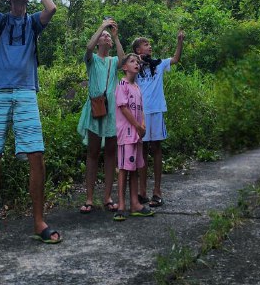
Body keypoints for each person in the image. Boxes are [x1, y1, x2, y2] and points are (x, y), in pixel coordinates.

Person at [0, 0, 61, 248]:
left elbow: (51, 8)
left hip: (26, 91)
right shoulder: (0, 21)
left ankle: (39, 222)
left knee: (36, 154)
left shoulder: (33, 23)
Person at [76, 17, 125, 213]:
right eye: (102, 36)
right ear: (98, 41)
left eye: (107, 36)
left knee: (111, 153)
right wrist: (102, 26)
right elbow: (88, 47)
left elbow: (123, 62)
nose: (105, 36)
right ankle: (89, 198)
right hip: (95, 108)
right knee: (93, 153)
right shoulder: (92, 59)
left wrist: (116, 35)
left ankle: (107, 196)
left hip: (112, 110)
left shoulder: (113, 61)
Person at [133, 30, 185, 208]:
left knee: (156, 148)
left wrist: (179, 42)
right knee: (141, 150)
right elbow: (124, 67)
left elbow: (175, 59)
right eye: (146, 44)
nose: (150, 47)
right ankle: (142, 191)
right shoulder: (135, 66)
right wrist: (136, 61)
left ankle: (157, 191)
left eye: (149, 44)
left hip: (156, 112)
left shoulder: (159, 64)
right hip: (140, 114)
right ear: (138, 50)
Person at [113, 53, 154, 221]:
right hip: (126, 134)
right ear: (125, 67)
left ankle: (135, 204)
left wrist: (143, 124)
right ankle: (121, 205)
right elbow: (123, 108)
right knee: (123, 169)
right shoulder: (122, 85)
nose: (136, 64)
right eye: (132, 61)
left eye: (137, 61)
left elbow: (141, 109)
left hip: (137, 135)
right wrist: (137, 126)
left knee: (135, 168)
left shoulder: (137, 87)